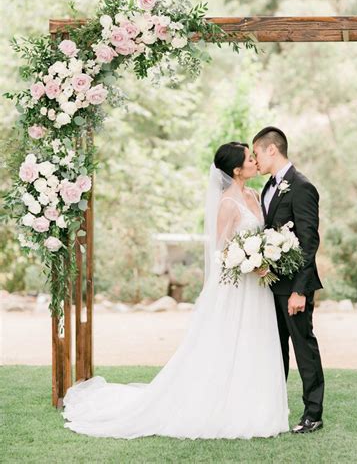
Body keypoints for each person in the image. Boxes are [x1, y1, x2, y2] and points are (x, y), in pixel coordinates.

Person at [61, 142, 289, 439]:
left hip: (257, 289)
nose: (254, 161)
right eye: (249, 159)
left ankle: (257, 405)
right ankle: (224, 406)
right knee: (228, 343)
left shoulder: (254, 195)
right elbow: (221, 252)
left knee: (255, 341)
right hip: (236, 289)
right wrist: (248, 261)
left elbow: (259, 236)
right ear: (236, 170)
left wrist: (264, 257)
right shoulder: (228, 203)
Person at [253, 126, 325, 434]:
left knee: (303, 347)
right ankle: (274, 407)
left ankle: (313, 413)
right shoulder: (268, 187)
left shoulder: (301, 186)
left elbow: (309, 242)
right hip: (270, 284)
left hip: (294, 288)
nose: (254, 160)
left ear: (272, 149)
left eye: (256, 153)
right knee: (275, 349)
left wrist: (299, 291)